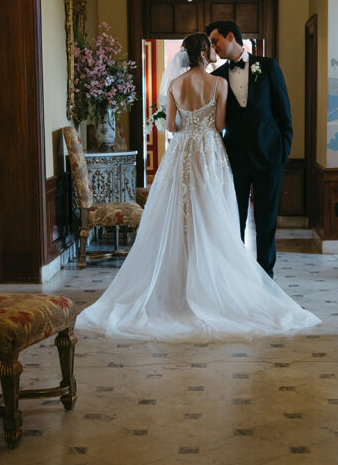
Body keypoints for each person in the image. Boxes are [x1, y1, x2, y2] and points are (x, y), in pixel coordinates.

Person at [75, 33, 319, 341]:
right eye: (211, 47)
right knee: (212, 212)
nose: (215, 51)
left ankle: (176, 282)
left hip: (181, 153)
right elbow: (219, 125)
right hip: (209, 151)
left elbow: (171, 126)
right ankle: (212, 279)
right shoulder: (218, 84)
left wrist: (187, 125)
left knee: (178, 215)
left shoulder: (175, 85)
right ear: (204, 52)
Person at [205, 20, 291, 278]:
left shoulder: (268, 67)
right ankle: (236, 278)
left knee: (266, 222)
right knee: (234, 220)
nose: (213, 47)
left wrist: (282, 152)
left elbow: (284, 114)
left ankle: (266, 278)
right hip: (235, 158)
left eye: (216, 41)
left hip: (269, 157)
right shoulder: (216, 77)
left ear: (231, 37)